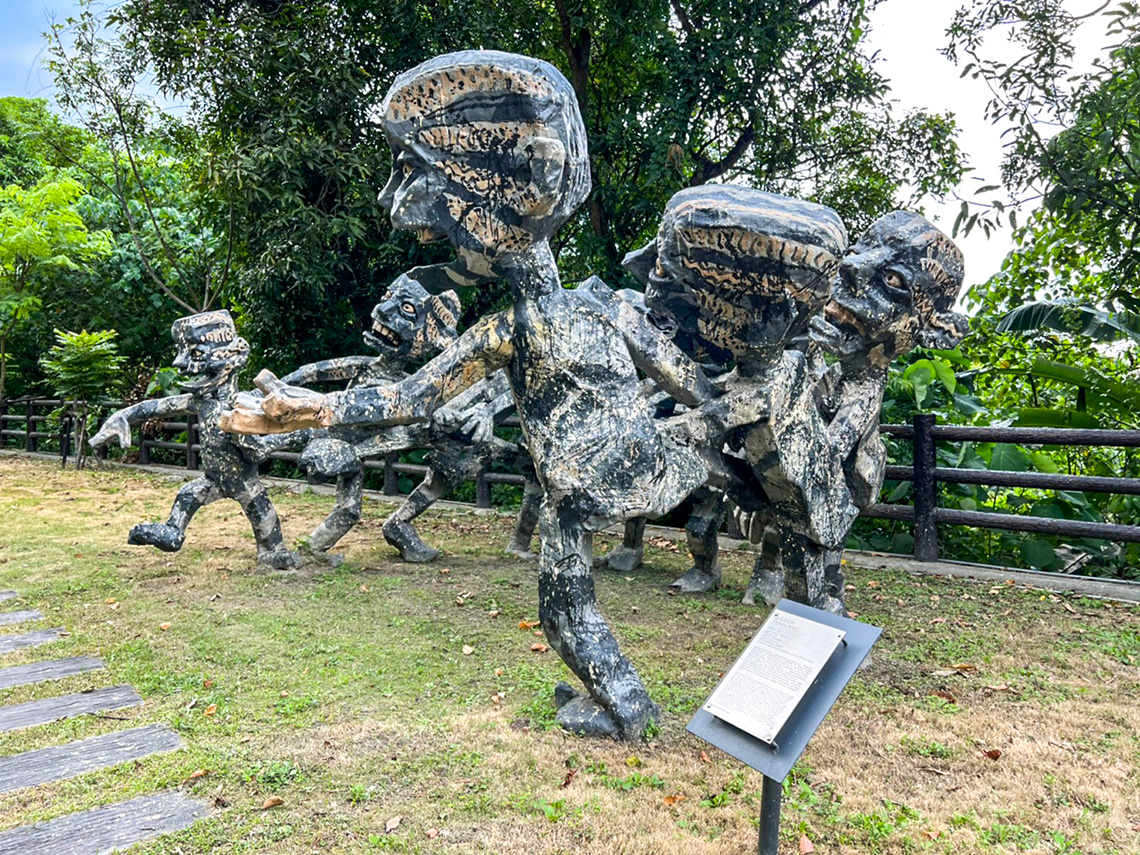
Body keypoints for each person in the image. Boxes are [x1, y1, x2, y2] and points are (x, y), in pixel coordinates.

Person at [220, 51, 716, 738]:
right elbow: (691, 383)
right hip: (626, 469)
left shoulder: (509, 328)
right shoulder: (611, 308)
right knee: (564, 607)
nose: (443, 246)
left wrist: (309, 410)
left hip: (585, 482)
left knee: (563, 610)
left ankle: (628, 710)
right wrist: (694, 421)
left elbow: (411, 398)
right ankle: (615, 697)